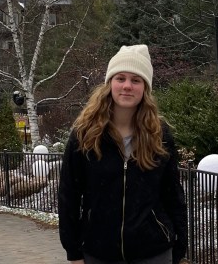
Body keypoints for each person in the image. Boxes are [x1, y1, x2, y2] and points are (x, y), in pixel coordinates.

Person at [58, 45, 188, 264]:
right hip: (99, 252)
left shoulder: (159, 134)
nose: (127, 86)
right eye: (121, 78)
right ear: (110, 84)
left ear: (144, 88)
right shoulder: (85, 134)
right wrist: (73, 251)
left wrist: (180, 248)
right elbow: (68, 195)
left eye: (136, 80)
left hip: (153, 252)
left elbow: (173, 194)